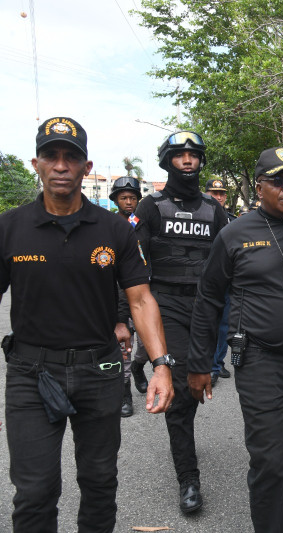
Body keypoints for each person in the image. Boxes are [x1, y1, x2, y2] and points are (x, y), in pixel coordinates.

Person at [0, 117, 173, 532]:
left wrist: (161, 364)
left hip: (99, 371)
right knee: (35, 491)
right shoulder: (10, 226)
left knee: (99, 483)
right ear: (36, 164)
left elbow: (141, 298)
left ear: (87, 167)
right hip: (30, 374)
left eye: (71, 158)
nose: (61, 166)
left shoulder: (114, 228)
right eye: (51, 156)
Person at [188, 147, 283, 532]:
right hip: (261, 360)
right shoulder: (235, 233)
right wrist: (199, 364)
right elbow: (208, 299)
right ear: (260, 187)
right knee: (270, 460)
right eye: (279, 181)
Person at [132, 130, 228, 513]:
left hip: (206, 309)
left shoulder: (214, 209)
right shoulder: (151, 206)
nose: (188, 160)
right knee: (181, 395)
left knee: (200, 379)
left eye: (193, 155)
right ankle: (188, 479)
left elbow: (230, 259)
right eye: (179, 155)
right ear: (167, 160)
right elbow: (133, 266)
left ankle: (184, 423)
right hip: (166, 305)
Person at [109, 176, 149, 415]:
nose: (128, 202)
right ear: (115, 200)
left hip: (143, 294)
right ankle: (125, 395)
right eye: (123, 197)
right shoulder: (108, 225)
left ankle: (138, 368)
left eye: (132, 197)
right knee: (123, 348)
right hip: (117, 295)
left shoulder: (142, 225)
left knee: (146, 347)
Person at [205, 178, 236, 385]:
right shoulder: (199, 218)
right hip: (206, 279)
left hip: (227, 280)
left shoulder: (232, 220)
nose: (218, 197)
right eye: (214, 193)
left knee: (225, 325)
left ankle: (217, 363)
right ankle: (207, 365)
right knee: (207, 323)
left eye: (222, 194)